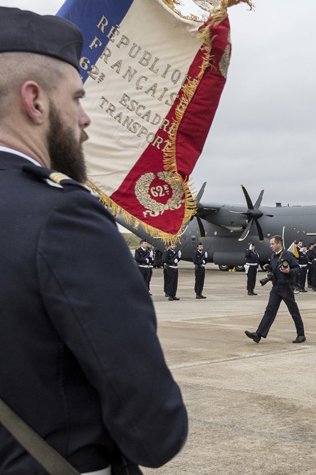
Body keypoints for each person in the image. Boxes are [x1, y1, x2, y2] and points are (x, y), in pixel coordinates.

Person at [0, 8, 187, 473]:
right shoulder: (64, 216)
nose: (85, 120)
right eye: (77, 99)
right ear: (35, 101)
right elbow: (154, 432)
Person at [245, 236, 306, 344]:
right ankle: (258, 334)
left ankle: (301, 335)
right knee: (269, 310)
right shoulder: (273, 256)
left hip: (286, 287)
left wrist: (289, 271)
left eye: (272, 244)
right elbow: (274, 270)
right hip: (276, 287)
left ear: (279, 243)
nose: (271, 246)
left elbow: (297, 269)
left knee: (294, 311)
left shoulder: (288, 255)